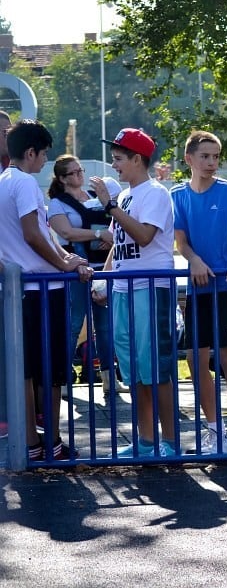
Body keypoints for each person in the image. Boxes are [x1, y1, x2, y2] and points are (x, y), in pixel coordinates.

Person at [0, 120, 94, 461]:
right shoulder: (24, 182)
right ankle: (49, 442)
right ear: (30, 153)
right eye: (43, 155)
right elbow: (32, 234)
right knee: (51, 372)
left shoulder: (3, 182)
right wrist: (65, 263)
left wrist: (66, 256)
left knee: (25, 370)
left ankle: (31, 443)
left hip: (20, 288)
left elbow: (40, 234)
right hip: (43, 289)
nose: (45, 162)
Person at [91, 127, 177, 457]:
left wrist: (109, 206)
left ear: (137, 159)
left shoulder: (154, 192)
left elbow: (143, 236)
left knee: (157, 369)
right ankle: (146, 442)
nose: (113, 165)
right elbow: (118, 242)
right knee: (136, 372)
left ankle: (169, 441)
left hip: (150, 289)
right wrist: (104, 279)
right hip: (124, 291)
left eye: (118, 159)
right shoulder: (126, 196)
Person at [171, 130, 227, 454]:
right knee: (194, 357)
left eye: (216, 156)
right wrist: (195, 261)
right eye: (205, 156)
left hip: (226, 286)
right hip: (198, 288)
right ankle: (214, 430)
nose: (212, 162)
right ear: (189, 159)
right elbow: (181, 242)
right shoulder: (178, 195)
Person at [47, 155, 118, 391]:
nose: (80, 175)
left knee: (105, 325)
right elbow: (66, 233)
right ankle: (63, 377)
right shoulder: (57, 204)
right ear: (62, 178)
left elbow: (111, 224)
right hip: (75, 271)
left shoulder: (94, 197)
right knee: (74, 322)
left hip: (101, 268)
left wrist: (108, 238)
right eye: (74, 173)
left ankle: (109, 378)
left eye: (81, 171)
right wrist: (99, 235)